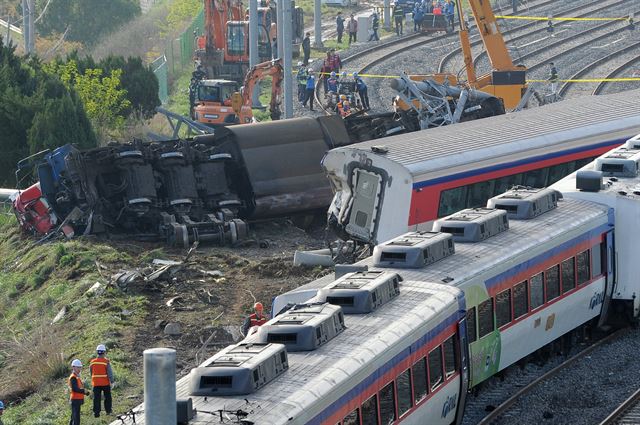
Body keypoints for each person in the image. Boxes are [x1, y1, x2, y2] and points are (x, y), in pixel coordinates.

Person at [90, 344, 114, 418]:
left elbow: (91, 372)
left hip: (96, 384)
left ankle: (96, 414)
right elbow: (109, 372)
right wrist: (112, 381)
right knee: (107, 397)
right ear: (104, 352)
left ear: (97, 352)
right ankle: (108, 411)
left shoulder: (92, 362)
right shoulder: (106, 361)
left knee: (96, 399)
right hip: (105, 383)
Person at [68, 359, 91, 425]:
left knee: (74, 417)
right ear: (73, 367)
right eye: (78, 367)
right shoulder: (73, 377)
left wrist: (85, 392)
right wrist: (84, 391)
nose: (79, 369)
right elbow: (75, 389)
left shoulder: (76, 376)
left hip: (76, 400)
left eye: (80, 367)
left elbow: (78, 388)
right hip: (75, 400)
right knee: (76, 419)